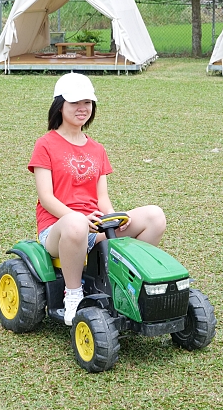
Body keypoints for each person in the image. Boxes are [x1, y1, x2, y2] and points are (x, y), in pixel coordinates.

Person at [28, 72, 166, 326]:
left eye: (87, 103)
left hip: (94, 226)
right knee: (75, 224)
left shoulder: (97, 149)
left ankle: (130, 285)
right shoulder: (45, 144)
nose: (82, 109)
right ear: (60, 105)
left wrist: (113, 219)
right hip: (59, 230)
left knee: (154, 216)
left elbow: (102, 198)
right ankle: (73, 295)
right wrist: (77, 217)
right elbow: (46, 197)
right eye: (75, 103)